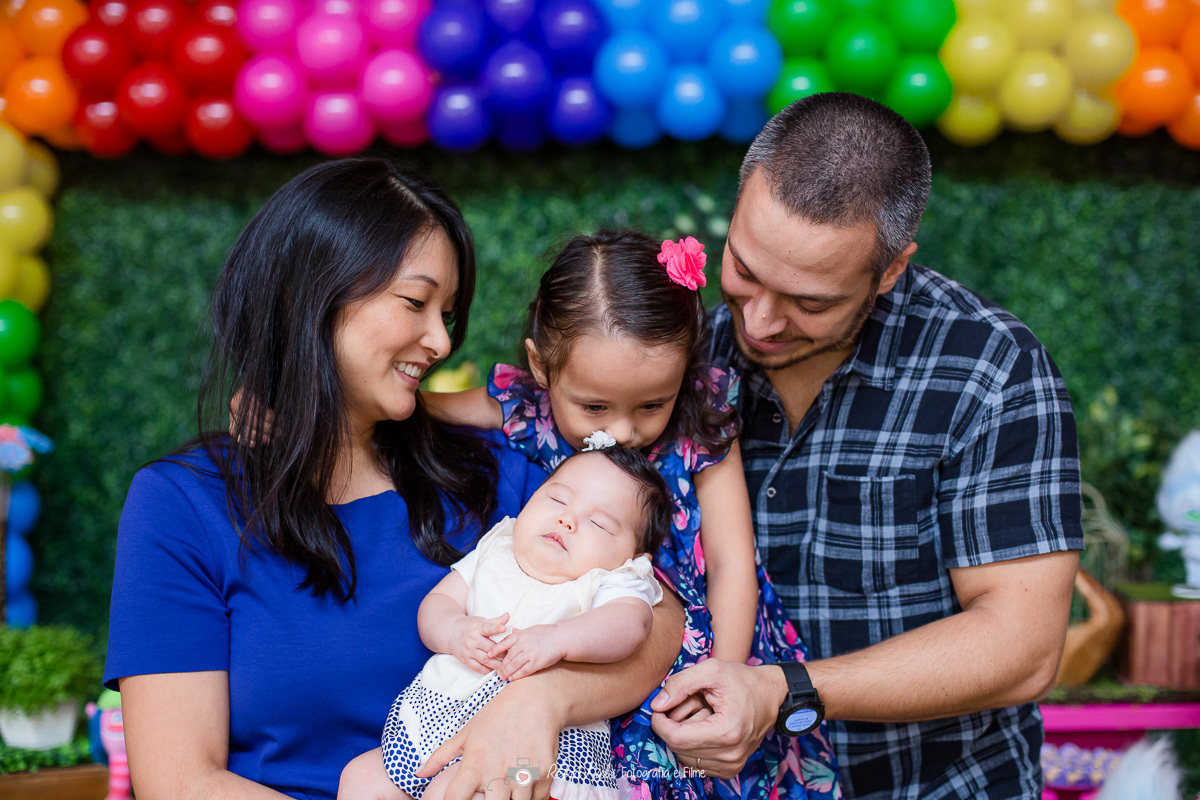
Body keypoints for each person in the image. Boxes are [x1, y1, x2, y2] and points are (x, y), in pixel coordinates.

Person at [103, 158, 684, 800]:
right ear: (311, 294)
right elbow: (180, 780)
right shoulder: (183, 503)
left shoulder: (494, 470)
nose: (440, 341)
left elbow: (657, 618)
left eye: (448, 312)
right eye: (415, 302)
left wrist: (549, 699)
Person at [647, 92, 1084, 799]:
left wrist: (782, 691)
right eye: (745, 271)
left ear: (888, 271)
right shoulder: (682, 359)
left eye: (810, 302)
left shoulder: (988, 370)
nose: (759, 321)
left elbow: (1022, 647)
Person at [423, 229, 840, 800]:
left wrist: (724, 673)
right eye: (594, 405)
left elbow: (731, 561)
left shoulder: (698, 426)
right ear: (542, 368)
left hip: (697, 654)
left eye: (651, 404)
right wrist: (311, 401)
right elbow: (414, 409)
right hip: (582, 661)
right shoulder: (527, 406)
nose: (621, 431)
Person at [339, 442, 672, 800]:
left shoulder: (615, 579)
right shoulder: (497, 547)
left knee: (450, 793)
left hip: (536, 755)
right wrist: (454, 632)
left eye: (598, 523)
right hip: (444, 721)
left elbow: (630, 626)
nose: (567, 519)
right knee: (362, 778)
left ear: (634, 556)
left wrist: (559, 639)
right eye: (557, 500)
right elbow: (439, 601)